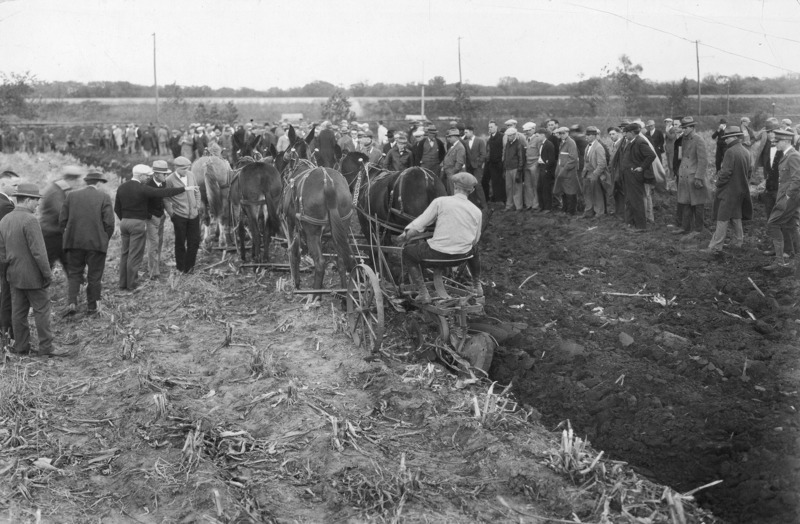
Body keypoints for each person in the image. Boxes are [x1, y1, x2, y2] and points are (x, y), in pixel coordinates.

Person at [397, 172, 483, 304]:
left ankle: (423, 293)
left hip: (437, 255)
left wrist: (406, 235)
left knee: (408, 252)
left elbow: (420, 224)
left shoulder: (441, 202)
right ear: (471, 190)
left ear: (454, 186)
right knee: (475, 249)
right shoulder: (477, 211)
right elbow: (475, 240)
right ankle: (477, 285)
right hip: (462, 257)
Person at [0, 184, 61, 356]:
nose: (38, 205)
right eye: (36, 201)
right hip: (33, 276)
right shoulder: (30, 220)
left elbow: (1, 251)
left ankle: (21, 347)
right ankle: (46, 348)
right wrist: (47, 274)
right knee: (42, 310)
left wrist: (6, 272)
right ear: (27, 200)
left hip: (13, 274)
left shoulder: (5, 220)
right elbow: (39, 252)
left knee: (18, 313)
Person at [115, 164, 190, 291]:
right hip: (137, 223)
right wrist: (184, 188)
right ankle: (132, 284)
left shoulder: (122, 187)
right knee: (135, 255)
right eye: (146, 176)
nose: (148, 178)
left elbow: (117, 208)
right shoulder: (142, 188)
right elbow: (162, 192)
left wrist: (125, 218)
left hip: (124, 223)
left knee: (125, 254)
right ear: (141, 175)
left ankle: (122, 283)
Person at [59, 171, 115, 315]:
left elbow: (62, 220)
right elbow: (109, 223)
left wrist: (68, 235)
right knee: (94, 277)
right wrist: (103, 238)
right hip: (96, 244)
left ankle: (72, 302)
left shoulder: (71, 196)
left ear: (86, 181)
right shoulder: (104, 197)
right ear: (99, 182)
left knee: (74, 274)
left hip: (74, 242)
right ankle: (92, 307)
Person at [701, 127, 753, 255]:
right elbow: (750, 172)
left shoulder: (730, 151)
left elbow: (726, 173)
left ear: (735, 137)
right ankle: (738, 242)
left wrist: (718, 183)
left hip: (728, 191)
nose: (726, 140)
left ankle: (715, 246)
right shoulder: (746, 151)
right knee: (736, 216)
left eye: (728, 137)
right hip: (741, 190)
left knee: (722, 217)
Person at [763, 129, 800, 270]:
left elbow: (797, 180)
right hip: (788, 196)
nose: (775, 144)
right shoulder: (786, 155)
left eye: (777, 141)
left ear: (785, 141)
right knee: (791, 225)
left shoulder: (793, 156)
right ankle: (796, 259)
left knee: (773, 223)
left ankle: (780, 262)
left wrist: (787, 197)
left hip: (790, 198)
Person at [40, 165, 84, 270]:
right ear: (70, 179)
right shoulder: (55, 191)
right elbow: (62, 213)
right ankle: (38, 285)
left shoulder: (59, 189)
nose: (77, 184)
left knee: (69, 263)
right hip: (51, 234)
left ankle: (76, 283)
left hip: (59, 234)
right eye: (76, 181)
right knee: (47, 263)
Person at [164, 157, 202, 274]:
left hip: (194, 215)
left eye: (188, 168)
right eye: (183, 169)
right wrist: (172, 214)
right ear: (176, 168)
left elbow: (197, 191)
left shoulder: (191, 175)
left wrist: (197, 205)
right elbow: (165, 198)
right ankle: (181, 268)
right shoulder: (169, 180)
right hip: (180, 216)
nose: (186, 170)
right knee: (180, 242)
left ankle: (189, 268)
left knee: (194, 242)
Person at [673, 117, 710, 236]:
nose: (683, 129)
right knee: (686, 203)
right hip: (684, 176)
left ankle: (698, 230)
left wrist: (699, 177)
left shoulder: (698, 140)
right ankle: (685, 227)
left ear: (692, 127)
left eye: (686, 127)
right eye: (683, 127)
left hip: (694, 177)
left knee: (698, 204)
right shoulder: (684, 139)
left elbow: (703, 161)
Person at [618, 123, 657, 230]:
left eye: (626, 133)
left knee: (637, 201)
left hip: (635, 176)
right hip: (628, 175)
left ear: (631, 132)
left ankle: (641, 227)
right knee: (630, 200)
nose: (624, 135)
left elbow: (651, 155)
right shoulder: (631, 141)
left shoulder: (640, 142)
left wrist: (641, 167)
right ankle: (630, 223)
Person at [0, 171, 21, 339]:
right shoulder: (6, 206)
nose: (17, 188)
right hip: (4, 257)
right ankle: (7, 332)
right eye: (14, 185)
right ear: (2, 185)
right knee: (7, 295)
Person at [146, 160, 171, 280]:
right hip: (152, 218)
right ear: (156, 174)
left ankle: (156, 265)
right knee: (153, 243)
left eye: (166, 174)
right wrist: (150, 216)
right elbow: (142, 204)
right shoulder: (148, 185)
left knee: (159, 242)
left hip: (161, 216)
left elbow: (165, 200)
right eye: (164, 174)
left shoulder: (163, 184)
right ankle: (153, 272)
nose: (166, 176)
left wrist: (169, 214)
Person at [581, 126, 609, 218]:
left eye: (588, 135)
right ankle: (589, 211)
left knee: (597, 193)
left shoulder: (598, 147)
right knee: (587, 193)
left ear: (594, 136)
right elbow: (586, 161)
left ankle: (599, 212)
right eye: (586, 135)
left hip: (594, 173)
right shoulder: (587, 146)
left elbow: (602, 164)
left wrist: (595, 174)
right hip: (586, 173)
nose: (586, 137)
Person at [553, 127, 579, 215]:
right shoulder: (562, 142)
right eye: (560, 133)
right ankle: (565, 208)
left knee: (570, 191)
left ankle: (571, 211)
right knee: (563, 190)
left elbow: (573, 159)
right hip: (562, 171)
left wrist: (564, 169)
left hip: (569, 172)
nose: (561, 135)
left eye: (563, 133)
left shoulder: (571, 143)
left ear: (568, 133)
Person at [463, 126, 488, 209]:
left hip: (477, 167)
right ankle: (474, 204)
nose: (465, 134)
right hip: (469, 167)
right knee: (470, 185)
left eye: (466, 132)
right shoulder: (465, 142)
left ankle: (484, 205)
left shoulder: (480, 141)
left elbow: (483, 154)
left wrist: (478, 164)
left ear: (471, 132)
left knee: (477, 185)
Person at [502, 127, 526, 211]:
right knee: (508, 188)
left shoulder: (519, 144)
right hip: (508, 168)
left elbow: (521, 158)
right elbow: (505, 156)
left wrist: (519, 170)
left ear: (515, 135)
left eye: (510, 135)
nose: (509, 137)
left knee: (517, 188)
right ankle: (509, 205)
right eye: (508, 136)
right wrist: (504, 168)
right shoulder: (508, 144)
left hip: (516, 168)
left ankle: (518, 207)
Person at [442, 128, 467, 193]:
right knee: (450, 191)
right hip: (450, 173)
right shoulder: (453, 146)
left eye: (450, 136)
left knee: (454, 192)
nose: (449, 138)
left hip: (453, 174)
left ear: (456, 137)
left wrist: (452, 172)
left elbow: (459, 163)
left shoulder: (460, 147)